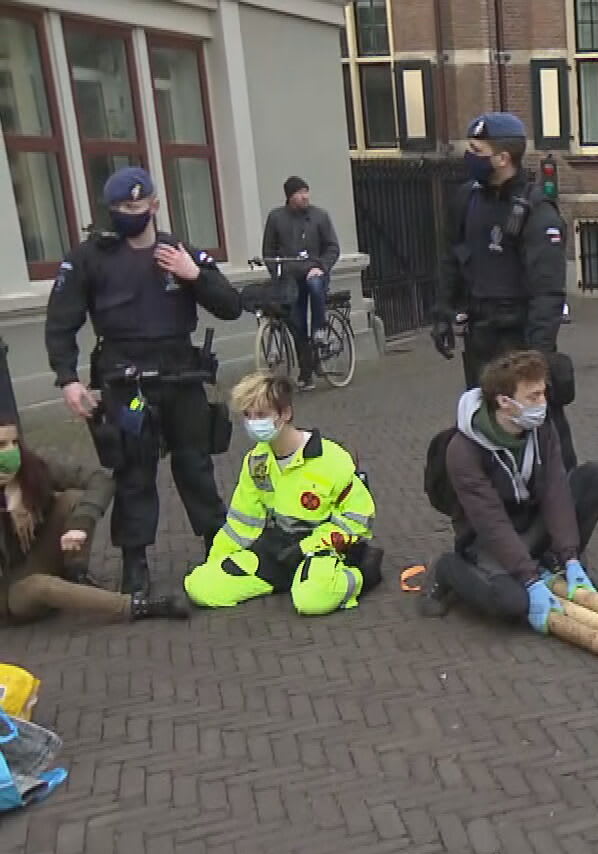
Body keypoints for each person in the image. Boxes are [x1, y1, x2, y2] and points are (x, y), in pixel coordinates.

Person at [45, 166, 243, 599]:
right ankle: (135, 564)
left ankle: (218, 547)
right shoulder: (89, 258)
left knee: (195, 466)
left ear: (154, 204)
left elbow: (231, 306)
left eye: (136, 206)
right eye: (119, 208)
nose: (128, 214)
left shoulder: (180, 252)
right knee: (133, 473)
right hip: (124, 379)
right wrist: (67, 379)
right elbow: (60, 322)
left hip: (180, 375)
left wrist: (195, 275)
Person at [422, 350, 598, 630]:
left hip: (529, 520)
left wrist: (570, 556)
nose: (543, 403)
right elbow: (490, 521)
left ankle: (551, 561)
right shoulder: (463, 451)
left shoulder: (542, 430)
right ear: (504, 402)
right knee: (512, 604)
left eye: (543, 393)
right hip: (485, 535)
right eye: (532, 397)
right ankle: (447, 569)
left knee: (595, 477)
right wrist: (530, 580)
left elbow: (555, 492)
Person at [431, 113, 577, 469]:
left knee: (541, 426)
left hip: (520, 335)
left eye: (477, 150)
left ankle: (564, 497)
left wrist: (537, 356)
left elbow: (548, 291)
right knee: (484, 422)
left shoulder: (536, 211)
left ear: (502, 158)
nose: (469, 156)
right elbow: (452, 258)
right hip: (481, 333)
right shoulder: (466, 201)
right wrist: (443, 312)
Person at [182, 373, 380, 615]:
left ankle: (362, 574)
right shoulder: (257, 462)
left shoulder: (331, 459)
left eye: (261, 415)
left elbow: (356, 520)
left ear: (285, 413)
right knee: (199, 585)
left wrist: (308, 546)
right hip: (278, 549)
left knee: (312, 601)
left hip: (323, 549)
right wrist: (216, 562)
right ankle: (293, 580)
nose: (253, 423)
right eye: (248, 416)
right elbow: (242, 523)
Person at [0, 417, 188, 623]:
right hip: (10, 596)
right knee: (40, 586)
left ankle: (76, 573)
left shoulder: (30, 469)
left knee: (71, 499)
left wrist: (81, 523)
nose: (10, 452)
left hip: (34, 560)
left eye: (15, 443)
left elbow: (99, 481)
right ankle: (137, 606)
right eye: (1, 445)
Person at [261, 176, 342, 390]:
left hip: (314, 271)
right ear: (290, 196)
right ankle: (306, 373)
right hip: (290, 277)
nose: (305, 196)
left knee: (315, 286)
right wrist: (276, 274)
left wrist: (321, 267)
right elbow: (268, 251)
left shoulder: (319, 216)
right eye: (300, 193)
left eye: (306, 191)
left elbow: (332, 247)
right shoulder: (276, 218)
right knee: (296, 323)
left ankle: (319, 330)